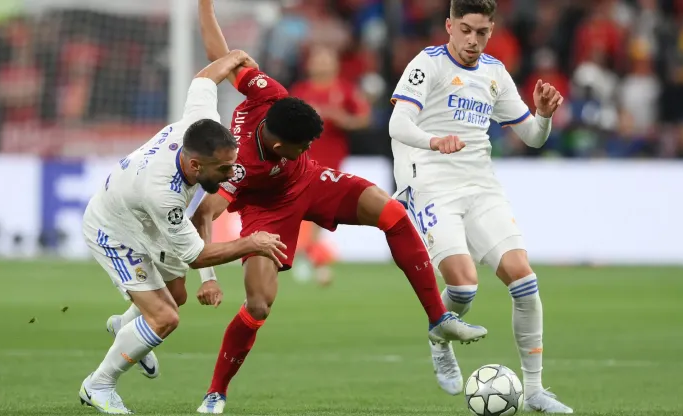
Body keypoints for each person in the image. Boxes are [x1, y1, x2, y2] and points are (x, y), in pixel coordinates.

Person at [194, 1, 488, 414]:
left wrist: (205, 7)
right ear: (280, 148)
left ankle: (439, 320)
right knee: (259, 304)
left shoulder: (271, 93)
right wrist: (207, 277)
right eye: (302, 146)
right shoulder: (239, 166)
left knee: (391, 213)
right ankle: (216, 393)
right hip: (266, 212)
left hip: (310, 181)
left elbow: (222, 59)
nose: (309, 146)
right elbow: (203, 215)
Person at [78, 50, 286, 415]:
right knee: (165, 317)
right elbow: (195, 255)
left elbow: (204, 79)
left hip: (140, 217)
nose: (230, 175)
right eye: (223, 169)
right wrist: (251, 243)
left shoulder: (201, 124)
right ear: (194, 164)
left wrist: (233, 55)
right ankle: (99, 384)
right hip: (115, 232)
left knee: (176, 295)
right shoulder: (166, 193)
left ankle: (124, 328)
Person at [388, 0, 572, 413]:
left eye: (482, 32)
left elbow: (532, 137)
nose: (473, 40)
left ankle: (535, 390)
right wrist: (435, 141)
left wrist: (542, 116)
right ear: (449, 26)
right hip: (431, 183)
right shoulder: (427, 64)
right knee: (464, 287)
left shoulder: (494, 73)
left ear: (492, 30)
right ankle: (439, 339)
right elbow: (397, 124)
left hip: (480, 185)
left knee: (524, 280)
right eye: (466, 30)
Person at [289, 44, 372, 286]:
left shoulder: (344, 90)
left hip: (331, 164)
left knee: (317, 212)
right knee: (311, 212)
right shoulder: (300, 91)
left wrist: (342, 119)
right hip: (300, 161)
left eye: (327, 59)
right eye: (318, 59)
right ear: (310, 64)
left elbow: (364, 118)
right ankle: (312, 259)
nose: (322, 64)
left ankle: (311, 258)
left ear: (335, 64)